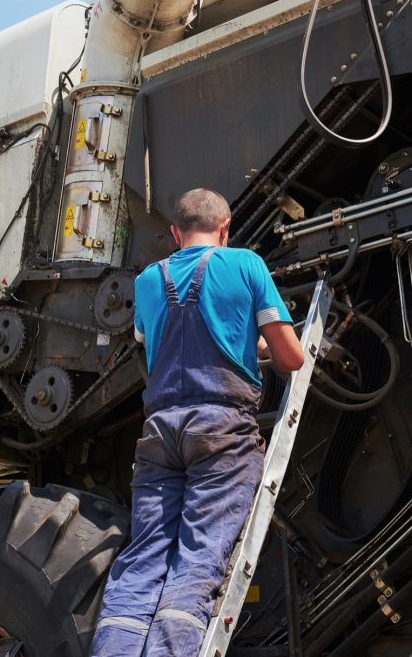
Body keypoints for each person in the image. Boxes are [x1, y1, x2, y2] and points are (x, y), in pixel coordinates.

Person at [91, 188, 304, 656]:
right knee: (197, 560)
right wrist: (259, 342)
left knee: (143, 561)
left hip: (161, 431)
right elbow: (291, 358)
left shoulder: (148, 280)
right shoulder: (245, 264)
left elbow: (158, 342)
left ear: (174, 233)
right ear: (225, 228)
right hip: (221, 431)